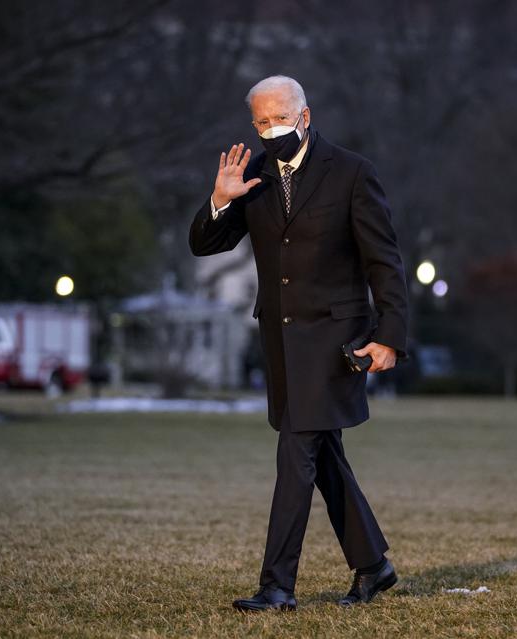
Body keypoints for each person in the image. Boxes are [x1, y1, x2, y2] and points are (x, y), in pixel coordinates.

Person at [188, 75, 409, 612]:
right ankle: (374, 566)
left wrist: (390, 337)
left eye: (278, 118)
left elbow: (384, 260)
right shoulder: (255, 175)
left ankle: (277, 586)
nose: (270, 129)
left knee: (296, 454)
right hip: (281, 341)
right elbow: (205, 245)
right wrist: (220, 199)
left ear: (305, 116)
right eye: (260, 122)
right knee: (322, 454)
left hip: (335, 340)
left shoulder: (353, 172)